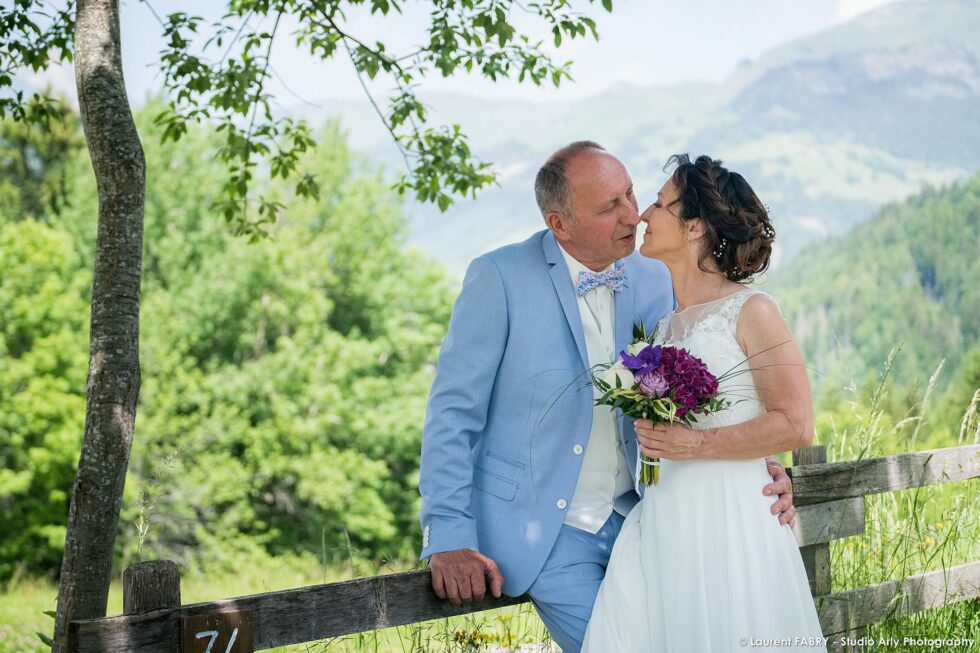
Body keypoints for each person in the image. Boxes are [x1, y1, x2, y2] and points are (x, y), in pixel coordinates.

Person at [418, 142, 797, 653]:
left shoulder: (656, 275)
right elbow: (452, 416)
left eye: (632, 194)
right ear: (560, 224)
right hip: (544, 538)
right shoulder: (499, 277)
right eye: (608, 207)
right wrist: (447, 536)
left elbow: (715, 383)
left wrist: (760, 467)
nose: (633, 216)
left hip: (644, 521)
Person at [582, 154, 826, 652]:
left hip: (731, 521)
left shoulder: (753, 310)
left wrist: (693, 445)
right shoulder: (665, 326)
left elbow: (796, 424)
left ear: (693, 226)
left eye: (658, 203)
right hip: (666, 518)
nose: (644, 215)